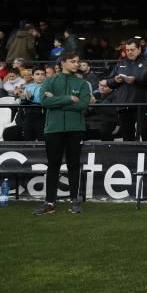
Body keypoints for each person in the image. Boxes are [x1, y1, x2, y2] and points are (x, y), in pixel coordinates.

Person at [33, 52, 91, 215]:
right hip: (53, 129)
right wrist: (68, 99)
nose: (76, 64)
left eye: (78, 61)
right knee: (53, 165)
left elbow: (83, 105)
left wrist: (56, 101)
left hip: (75, 129)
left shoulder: (83, 83)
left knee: (73, 165)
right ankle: (49, 202)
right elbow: (44, 102)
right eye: (73, 61)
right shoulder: (49, 81)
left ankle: (74, 200)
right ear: (63, 63)